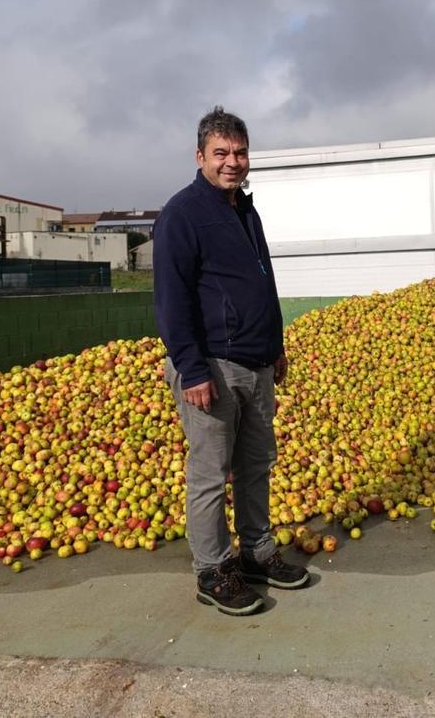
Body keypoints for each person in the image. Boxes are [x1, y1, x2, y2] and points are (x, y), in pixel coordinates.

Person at [153, 106, 309, 616]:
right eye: (221, 153)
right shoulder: (183, 213)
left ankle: (257, 553)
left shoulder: (245, 209)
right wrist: (192, 368)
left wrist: (276, 344)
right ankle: (212, 570)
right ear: (200, 156)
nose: (232, 161)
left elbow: (263, 281)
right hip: (214, 368)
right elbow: (172, 298)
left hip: (257, 363)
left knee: (255, 465)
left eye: (240, 152)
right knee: (209, 472)